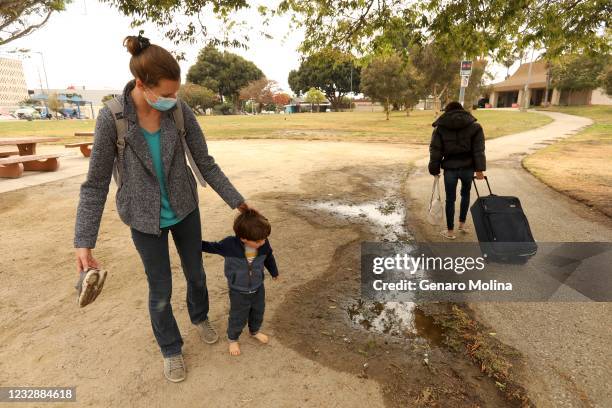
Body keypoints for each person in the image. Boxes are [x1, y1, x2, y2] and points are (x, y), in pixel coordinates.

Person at [73, 33, 252, 383]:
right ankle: (171, 348)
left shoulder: (179, 112)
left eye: (176, 93)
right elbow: (94, 185)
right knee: (160, 288)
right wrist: (84, 241)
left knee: (196, 273)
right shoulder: (113, 119)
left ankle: (199, 316)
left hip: (185, 209)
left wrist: (237, 200)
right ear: (142, 84)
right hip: (142, 219)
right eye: (167, 94)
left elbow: (205, 162)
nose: (174, 100)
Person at [201, 209, 279, 357]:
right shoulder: (229, 245)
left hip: (258, 287)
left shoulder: (263, 243)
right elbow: (212, 247)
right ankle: (233, 338)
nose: (263, 242)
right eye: (258, 241)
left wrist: (274, 272)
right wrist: (193, 244)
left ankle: (254, 330)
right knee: (238, 315)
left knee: (258, 311)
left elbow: (269, 257)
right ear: (243, 238)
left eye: (264, 239)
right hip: (238, 290)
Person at [428, 101, 486, 240]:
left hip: (450, 169)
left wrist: (434, 169)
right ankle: (462, 224)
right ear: (461, 111)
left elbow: (435, 151)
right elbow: (479, 150)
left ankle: (450, 232)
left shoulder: (440, 128)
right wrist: (479, 170)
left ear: (447, 112)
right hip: (468, 168)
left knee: (450, 199)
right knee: (465, 195)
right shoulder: (475, 127)